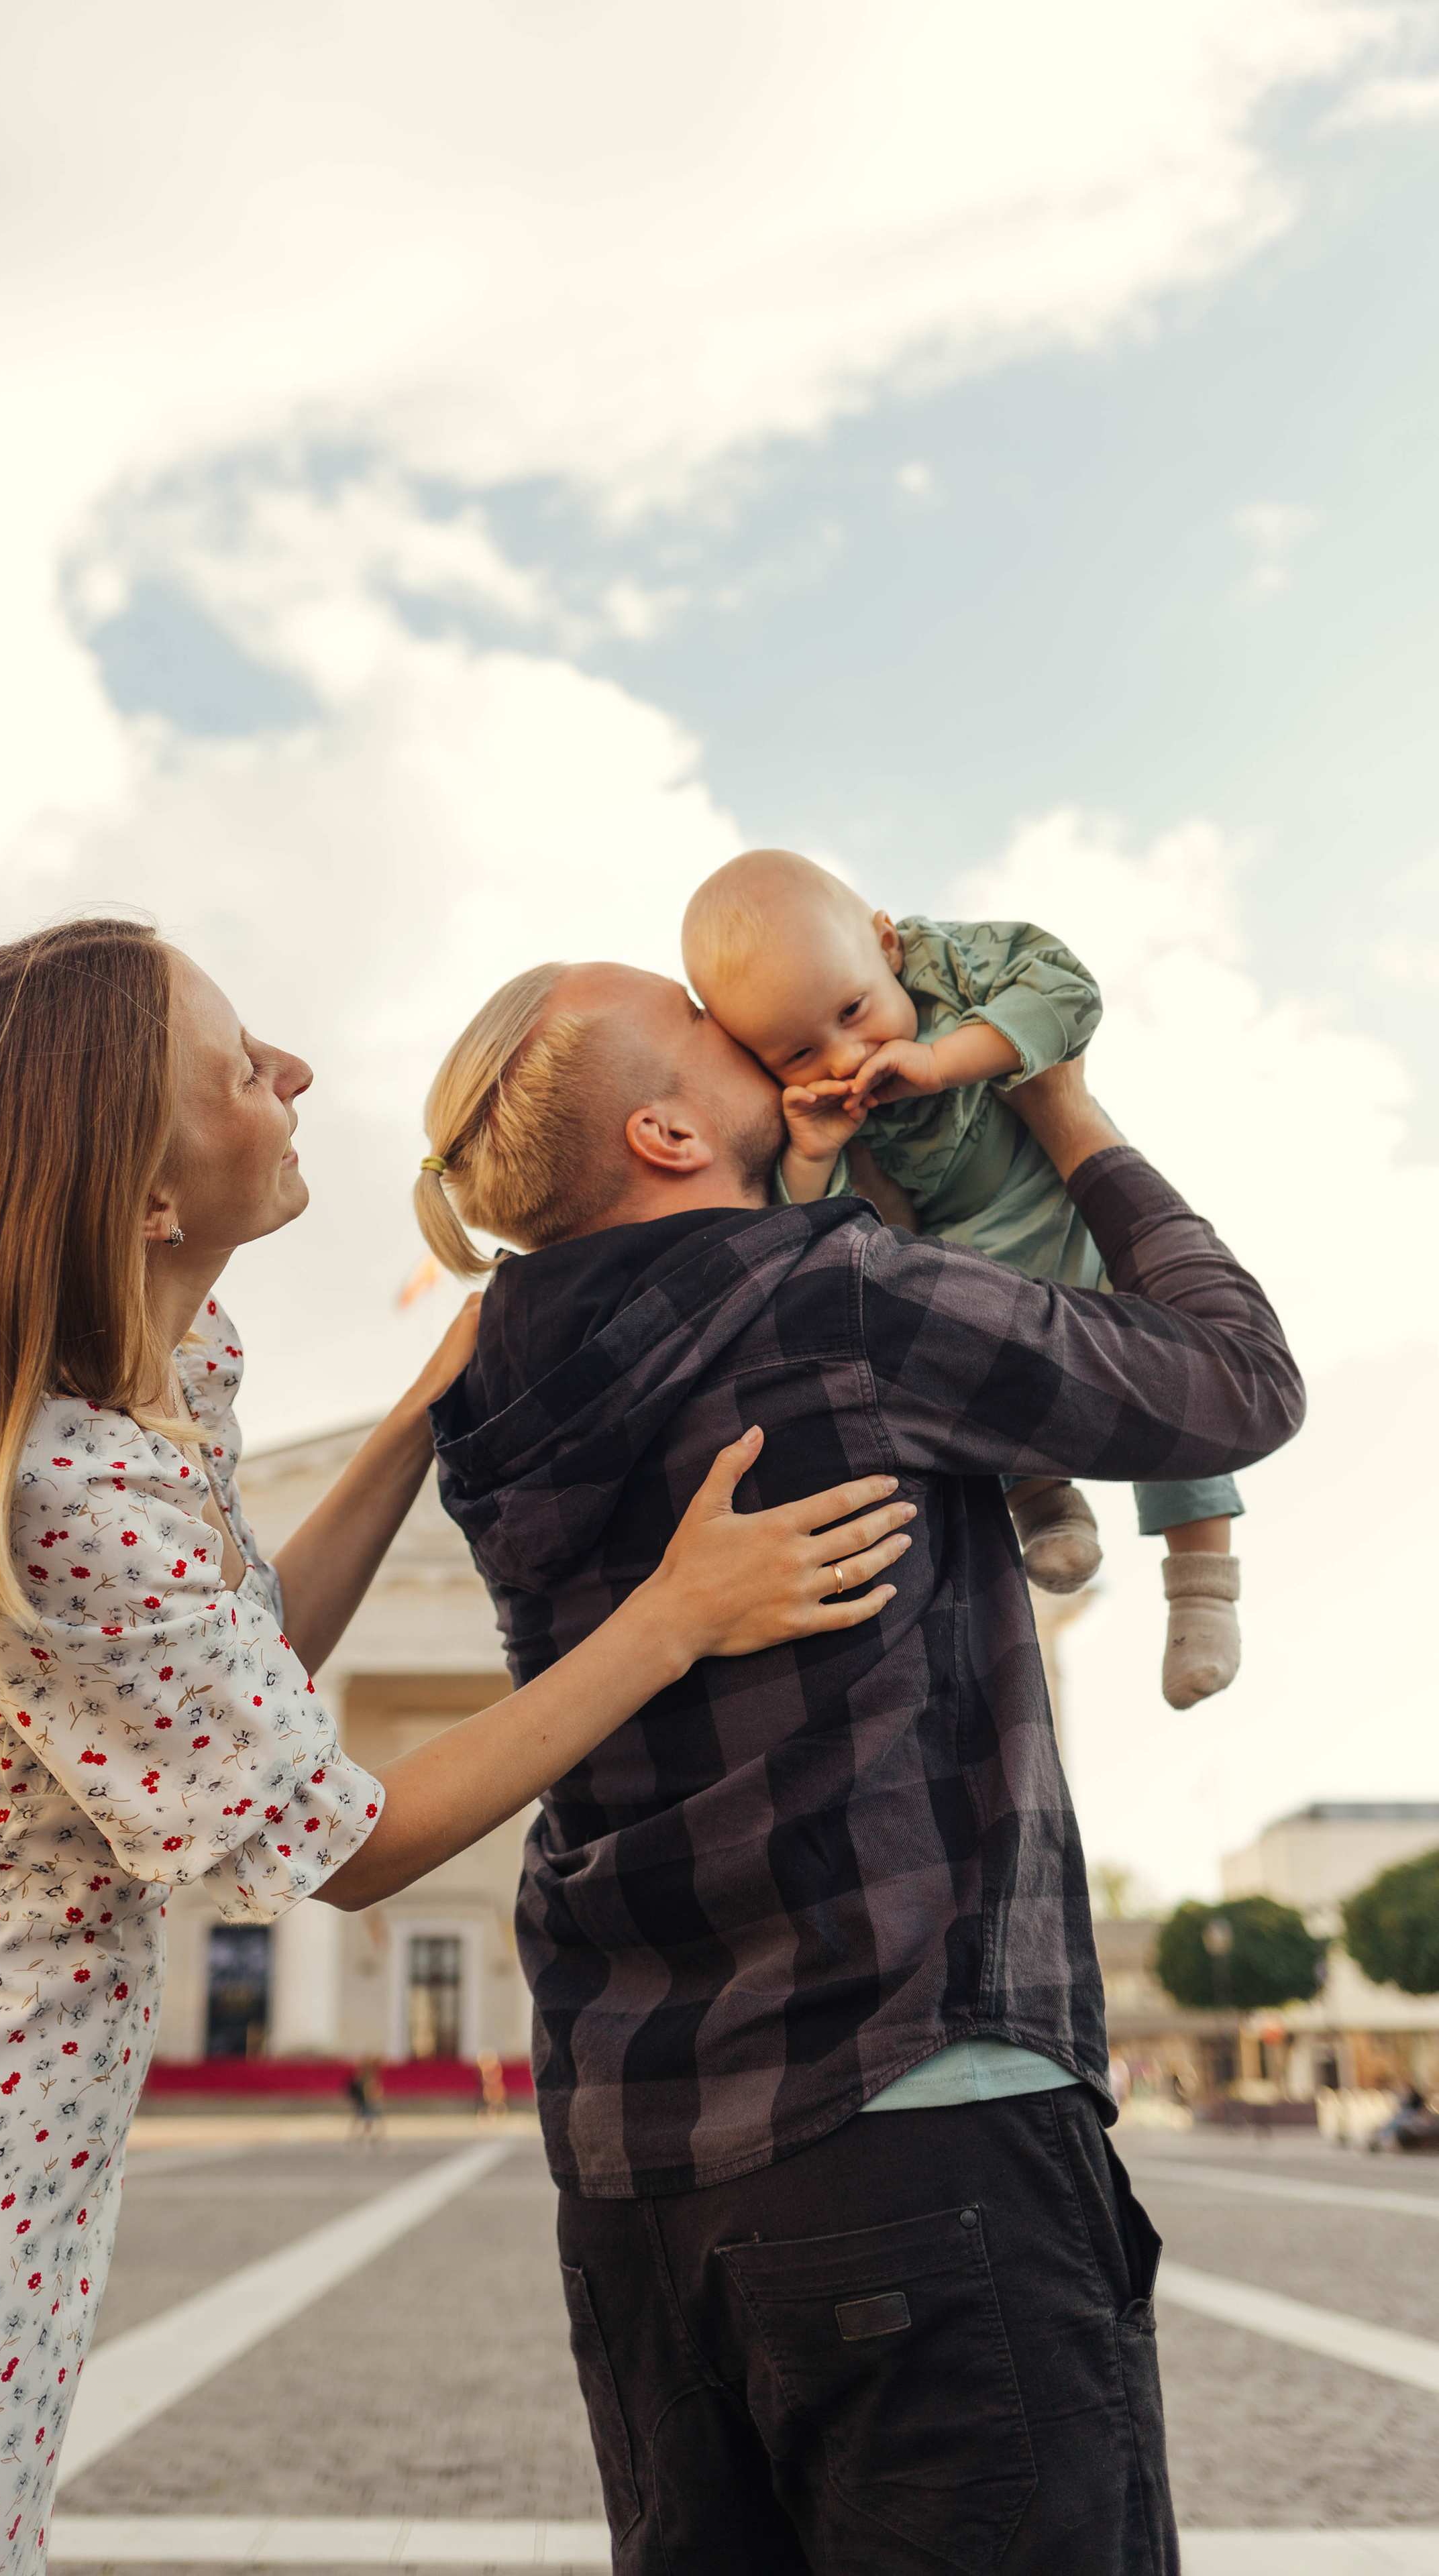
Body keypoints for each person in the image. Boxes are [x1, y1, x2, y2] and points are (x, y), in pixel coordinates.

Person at [0, 920, 914, 2576]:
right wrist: (670, 1614)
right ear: (144, 1202)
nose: (290, 1070)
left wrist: (431, 1399)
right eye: (237, 1064)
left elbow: (244, 1671)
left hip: (6, 2124)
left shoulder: (166, 1378)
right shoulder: (52, 1488)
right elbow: (347, 1840)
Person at [415, 958, 1305, 2576]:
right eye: (703, 1019)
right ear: (669, 1128)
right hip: (914, 2102)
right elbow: (1232, 1382)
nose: (746, 1020)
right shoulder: (831, 1293)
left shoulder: (493, 1378)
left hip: (634, 2185)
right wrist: (1060, 1102)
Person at [682, 847, 1248, 1709]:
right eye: (799, 1051)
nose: (847, 1051)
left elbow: (1065, 989)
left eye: (854, 1009)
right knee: (970, 1364)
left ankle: (1201, 1593)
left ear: (887, 946)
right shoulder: (822, 1107)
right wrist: (811, 1151)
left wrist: (945, 1061)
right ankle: (1045, 1505)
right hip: (978, 1261)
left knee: (1165, 1390)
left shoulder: (951, 965)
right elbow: (820, 1233)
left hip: (1073, 1216)